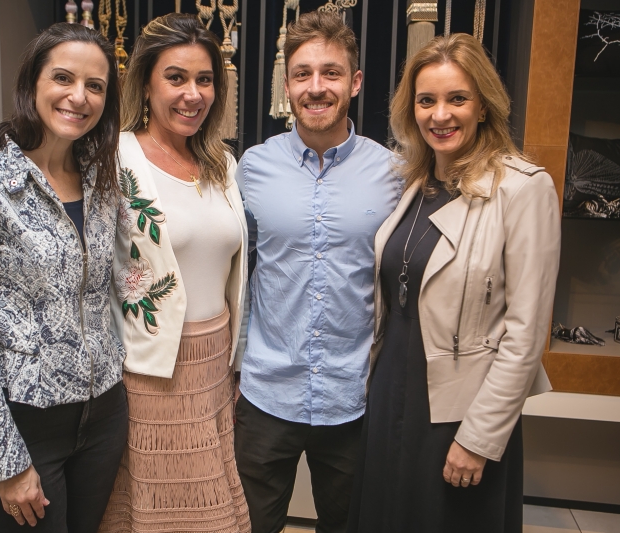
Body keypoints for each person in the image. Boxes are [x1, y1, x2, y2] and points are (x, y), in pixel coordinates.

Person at [346, 33, 560, 533]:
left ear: (483, 106)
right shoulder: (414, 184)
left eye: (457, 99)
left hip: (457, 412)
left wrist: (479, 439)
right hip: (391, 388)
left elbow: (525, 338)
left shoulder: (523, 190)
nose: (440, 114)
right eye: (427, 101)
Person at [0, 23, 127, 532]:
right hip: (25, 422)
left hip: (104, 413)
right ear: (32, 84)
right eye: (63, 78)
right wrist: (6, 462)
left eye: (96, 86)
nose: (78, 97)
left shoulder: (103, 184)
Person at [233, 11, 400, 533]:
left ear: (354, 82)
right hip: (265, 391)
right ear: (288, 85)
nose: (316, 87)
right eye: (303, 73)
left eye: (330, 73)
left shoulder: (393, 174)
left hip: (354, 395)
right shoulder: (252, 168)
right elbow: (240, 271)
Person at [98, 13, 250, 533]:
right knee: (156, 512)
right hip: (149, 373)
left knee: (215, 511)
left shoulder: (222, 164)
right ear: (146, 82)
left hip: (214, 368)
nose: (193, 94)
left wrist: (232, 366)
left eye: (204, 80)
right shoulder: (115, 159)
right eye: (176, 77)